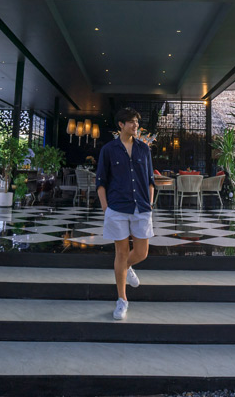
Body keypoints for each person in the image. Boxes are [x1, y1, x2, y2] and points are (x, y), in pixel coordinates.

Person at [95, 107, 156, 320]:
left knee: (142, 253)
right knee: (120, 254)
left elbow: (150, 180)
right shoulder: (108, 150)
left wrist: (150, 203)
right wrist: (106, 208)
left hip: (141, 207)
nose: (136, 125)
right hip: (117, 209)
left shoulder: (144, 149)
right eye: (131, 122)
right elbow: (100, 181)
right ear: (121, 125)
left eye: (137, 122)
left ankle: (127, 267)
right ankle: (122, 300)